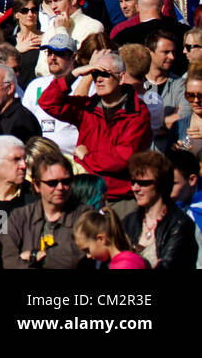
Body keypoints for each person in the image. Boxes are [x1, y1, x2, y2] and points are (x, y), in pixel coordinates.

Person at [39, 49, 153, 200]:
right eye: (95, 74)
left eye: (105, 74)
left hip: (118, 197)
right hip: (84, 193)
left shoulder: (137, 113)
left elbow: (122, 158)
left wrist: (87, 157)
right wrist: (75, 74)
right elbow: (48, 102)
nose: (98, 79)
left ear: (121, 78)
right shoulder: (87, 107)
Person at [121, 150, 199, 269]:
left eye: (143, 183)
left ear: (162, 184)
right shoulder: (128, 221)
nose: (135, 188)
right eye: (133, 182)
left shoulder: (179, 225)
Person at [72, 207, 149, 269]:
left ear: (101, 239)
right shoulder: (120, 262)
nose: (88, 256)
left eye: (87, 250)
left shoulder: (125, 265)